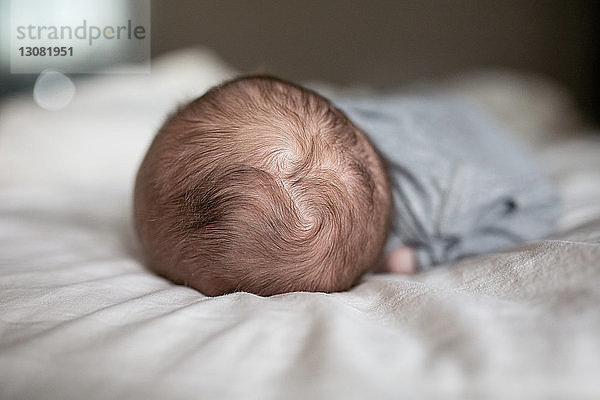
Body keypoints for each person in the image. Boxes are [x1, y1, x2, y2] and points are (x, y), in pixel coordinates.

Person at [133, 74, 559, 296]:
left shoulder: (448, 203)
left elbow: (540, 206)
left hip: (487, 140)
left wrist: (426, 256)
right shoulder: (312, 122)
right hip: (424, 112)